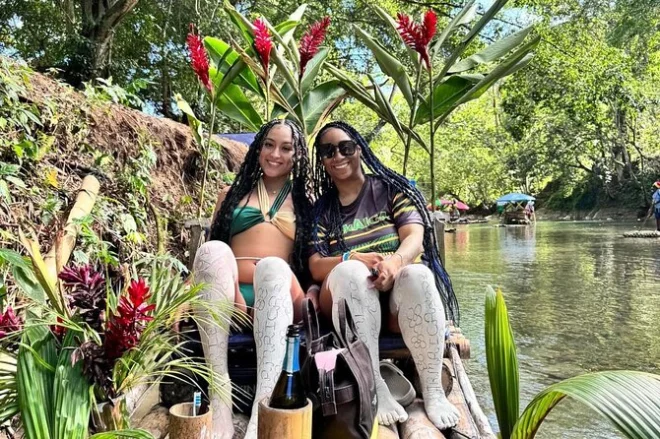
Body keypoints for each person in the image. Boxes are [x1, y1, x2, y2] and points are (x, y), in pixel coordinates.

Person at [307, 121, 461, 430]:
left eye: (345, 147)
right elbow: (315, 265)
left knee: (417, 273)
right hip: (343, 303)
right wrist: (352, 257)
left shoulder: (390, 190)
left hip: (392, 305)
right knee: (351, 271)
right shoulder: (322, 210)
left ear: (359, 149)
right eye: (328, 151)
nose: (338, 156)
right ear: (321, 160)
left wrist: (394, 262)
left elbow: (414, 236)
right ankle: (374, 384)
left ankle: (432, 389)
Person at [192, 119, 313, 439]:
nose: (275, 154)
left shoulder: (306, 202)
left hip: (280, 292)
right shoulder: (230, 195)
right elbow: (212, 253)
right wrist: (199, 295)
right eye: (268, 145)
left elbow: (312, 260)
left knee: (272, 267)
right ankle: (220, 398)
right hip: (230, 295)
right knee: (212, 251)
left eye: (286, 148)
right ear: (258, 148)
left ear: (298, 154)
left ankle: (264, 407)